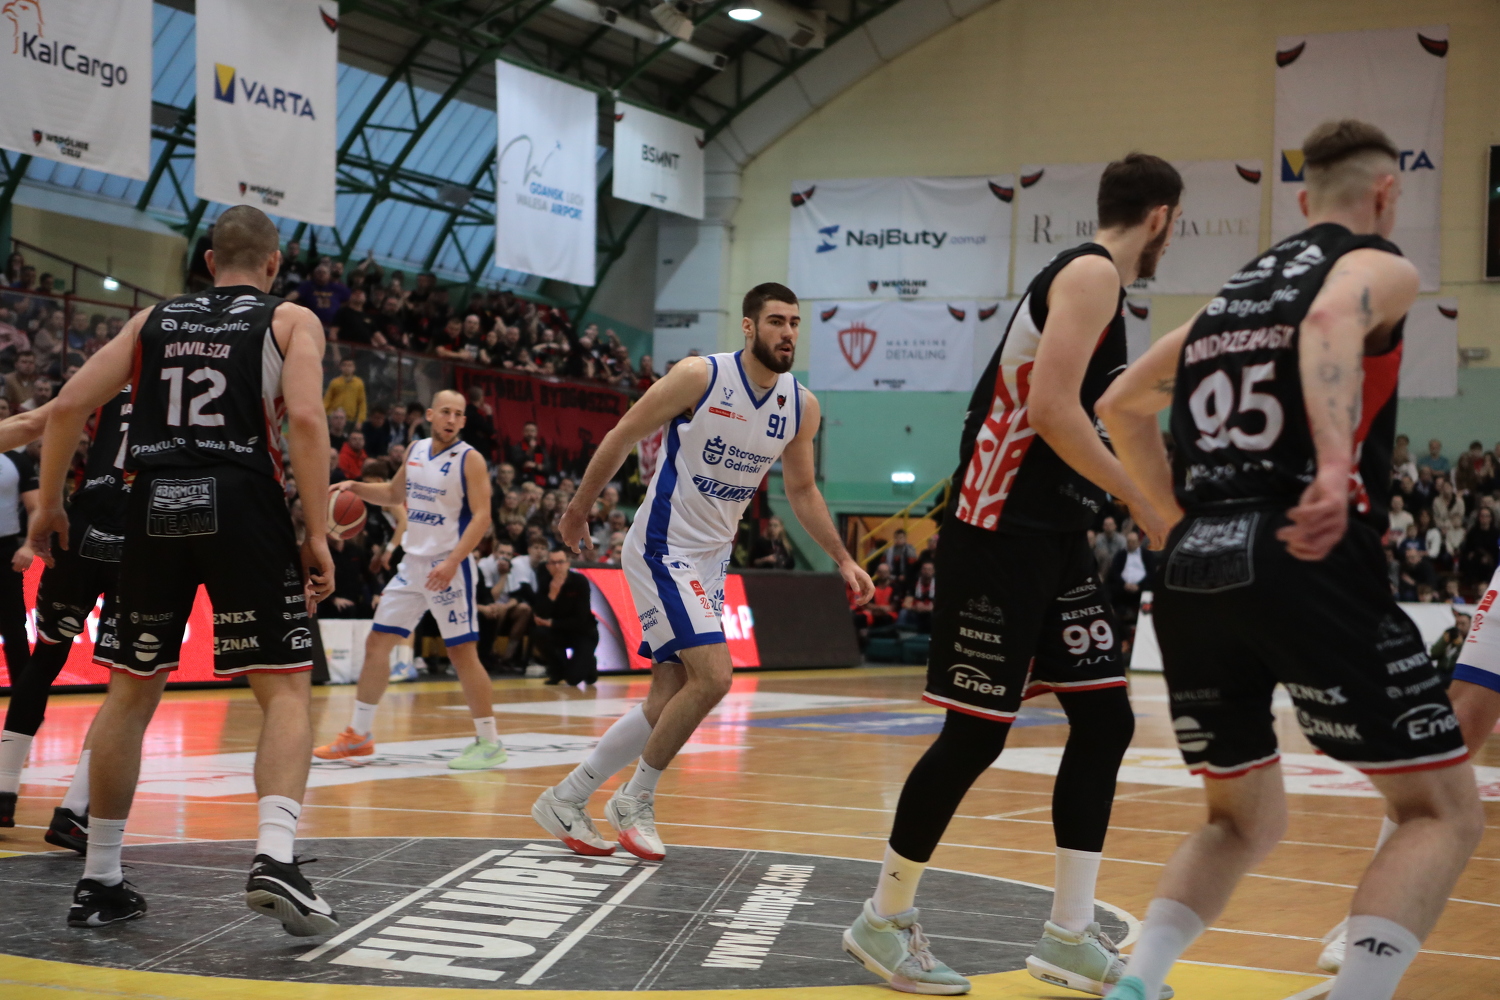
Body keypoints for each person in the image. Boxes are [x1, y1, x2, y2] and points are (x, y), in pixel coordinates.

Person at [1095, 120, 1481, 1000]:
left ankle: (1137, 984)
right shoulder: (1376, 265)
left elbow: (1121, 403)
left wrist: (1169, 520)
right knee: (1439, 810)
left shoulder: (1229, 301)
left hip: (1194, 568)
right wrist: (1337, 466)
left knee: (1241, 820)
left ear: (1303, 201)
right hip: (1302, 551)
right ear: (1385, 193)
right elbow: (1332, 320)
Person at [841, 154, 1182, 997]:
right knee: (975, 735)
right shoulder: (1093, 273)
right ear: (1162, 218)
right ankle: (882, 918)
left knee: (1104, 720)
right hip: (996, 530)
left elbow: (1105, 412)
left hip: (1054, 535)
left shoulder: (1103, 289)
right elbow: (1051, 410)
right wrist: (1141, 500)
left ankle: (1070, 935)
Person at [28, 205, 340, 933]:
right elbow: (304, 420)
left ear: (207, 262)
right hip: (242, 502)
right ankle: (274, 857)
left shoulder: (151, 321)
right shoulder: (290, 319)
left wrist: (50, 505)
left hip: (152, 502)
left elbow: (68, 406)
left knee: (130, 694)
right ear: (273, 263)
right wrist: (317, 532)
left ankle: (100, 878)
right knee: (284, 689)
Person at [532, 282, 873, 861]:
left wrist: (842, 557)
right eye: (776, 321)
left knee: (670, 694)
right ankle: (635, 799)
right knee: (714, 678)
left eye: (794, 323)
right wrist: (578, 508)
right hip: (662, 545)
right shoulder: (700, 376)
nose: (788, 333)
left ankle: (567, 798)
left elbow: (802, 490)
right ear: (749, 326)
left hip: (712, 560)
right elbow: (622, 434)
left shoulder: (801, 406)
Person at [313, 389, 504, 771]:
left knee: (461, 653)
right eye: (445, 412)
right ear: (430, 415)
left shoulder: (470, 459)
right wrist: (355, 487)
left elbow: (482, 517)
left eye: (458, 414)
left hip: (449, 567)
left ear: (464, 421)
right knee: (377, 643)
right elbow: (393, 492)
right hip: (412, 565)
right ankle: (359, 736)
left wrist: (453, 561)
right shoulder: (415, 450)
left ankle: (490, 742)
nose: (451, 419)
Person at [532, 547, 598, 685]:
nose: (557, 566)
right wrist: (552, 594)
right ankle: (557, 671)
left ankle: (589, 663)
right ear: (548, 566)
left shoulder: (579, 582)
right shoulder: (545, 582)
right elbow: (539, 615)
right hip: (559, 632)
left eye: (560, 562)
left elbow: (581, 620)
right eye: (553, 563)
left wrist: (552, 623)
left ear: (568, 563)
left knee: (573, 680)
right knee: (539, 633)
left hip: (583, 633)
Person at [1105, 530, 1156, 623]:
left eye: (1133, 542)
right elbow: (1115, 572)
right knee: (1111, 588)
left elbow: (1151, 572)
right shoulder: (1120, 554)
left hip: (1141, 587)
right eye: (1129, 542)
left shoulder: (1147, 554)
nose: (1131, 544)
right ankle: (1120, 616)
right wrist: (1124, 584)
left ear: (1139, 542)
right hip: (1123, 586)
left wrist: (1139, 586)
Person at [1430, 612, 1471, 687]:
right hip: (1442, 671)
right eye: (1457, 623)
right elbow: (1434, 654)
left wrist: (1460, 645)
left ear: (1470, 625)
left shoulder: (1471, 639)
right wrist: (1444, 642)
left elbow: (1468, 659)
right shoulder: (1450, 634)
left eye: (1463, 624)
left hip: (1459, 673)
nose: (1459, 627)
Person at [324, 357, 367, 425]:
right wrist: (322, 415)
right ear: (340, 367)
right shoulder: (335, 382)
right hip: (334, 417)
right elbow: (327, 400)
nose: (347, 368)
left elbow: (362, 403)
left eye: (350, 365)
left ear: (354, 368)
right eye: (344, 365)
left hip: (350, 419)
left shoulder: (359, 383)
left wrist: (360, 420)